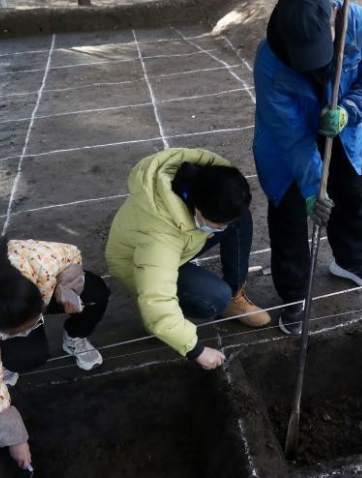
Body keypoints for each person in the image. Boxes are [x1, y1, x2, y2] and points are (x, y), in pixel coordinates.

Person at [253, 0, 362, 335]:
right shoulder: (270, 60)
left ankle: (350, 261)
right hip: (287, 144)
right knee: (290, 211)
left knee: (349, 193)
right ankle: (294, 295)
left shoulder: (360, 25)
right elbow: (292, 137)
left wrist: (349, 110)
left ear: (332, 21)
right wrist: (314, 187)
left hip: (340, 126)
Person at [105, 148, 270, 370]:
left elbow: (225, 216)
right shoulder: (159, 236)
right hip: (138, 263)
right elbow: (157, 301)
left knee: (238, 219)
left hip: (182, 240)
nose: (222, 229)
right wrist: (195, 349)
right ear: (199, 209)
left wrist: (218, 224)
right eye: (217, 223)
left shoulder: (202, 180)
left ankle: (235, 295)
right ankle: (143, 304)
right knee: (214, 298)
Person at [0, 237, 110, 469]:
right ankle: (8, 357)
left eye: (29, 325)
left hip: (43, 286)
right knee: (29, 357)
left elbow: (73, 253)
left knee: (97, 292)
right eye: (16, 331)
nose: (25, 329)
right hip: (9, 309)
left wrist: (66, 288)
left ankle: (74, 338)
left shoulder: (44, 260)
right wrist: (13, 436)